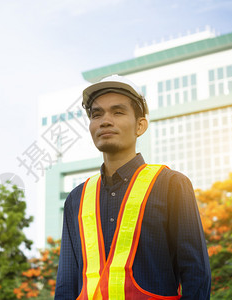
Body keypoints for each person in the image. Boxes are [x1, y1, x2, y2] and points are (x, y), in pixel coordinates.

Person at [54, 75, 211, 299]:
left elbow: (196, 274)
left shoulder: (171, 185)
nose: (105, 121)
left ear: (140, 125)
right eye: (97, 114)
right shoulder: (76, 199)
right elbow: (67, 284)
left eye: (118, 112)